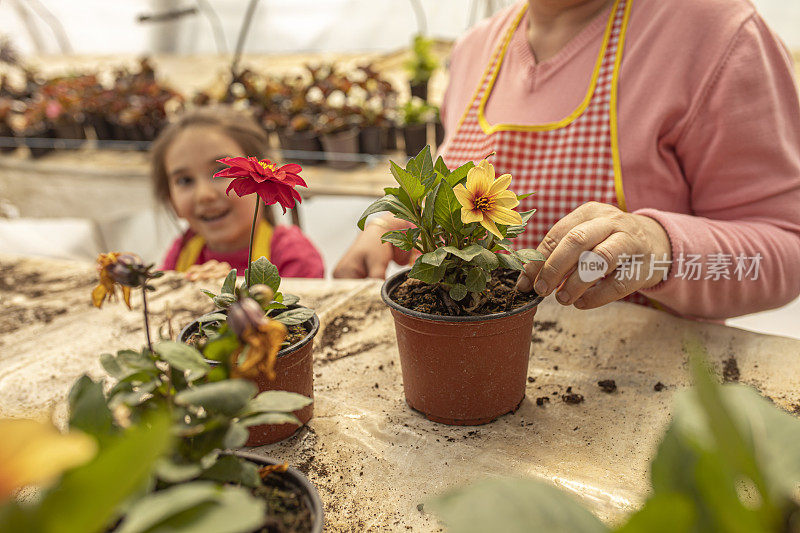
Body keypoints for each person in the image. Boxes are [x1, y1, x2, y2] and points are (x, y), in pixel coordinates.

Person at [334, 0, 800, 320]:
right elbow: (452, 179)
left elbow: (786, 246)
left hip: (636, 411)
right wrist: (387, 232)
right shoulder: (476, 47)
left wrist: (661, 248)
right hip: (475, 402)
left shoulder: (713, 31)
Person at [151, 106, 324, 279]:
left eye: (222, 171)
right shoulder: (182, 251)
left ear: (264, 175)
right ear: (170, 199)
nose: (204, 194)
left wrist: (228, 295)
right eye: (185, 180)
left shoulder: (294, 254)